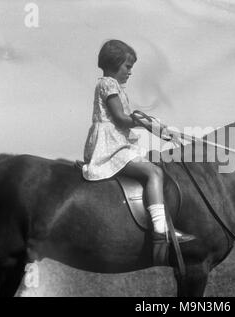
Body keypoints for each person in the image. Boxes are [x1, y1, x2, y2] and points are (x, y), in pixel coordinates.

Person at [82, 40, 194, 242]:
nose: (130, 72)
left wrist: (156, 127)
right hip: (111, 147)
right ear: (114, 63)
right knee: (154, 172)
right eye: (127, 66)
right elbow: (120, 119)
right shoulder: (108, 83)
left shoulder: (113, 86)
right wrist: (147, 125)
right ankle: (160, 230)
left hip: (117, 143)